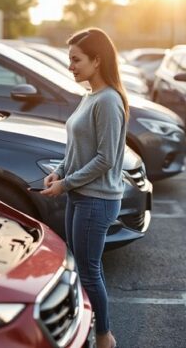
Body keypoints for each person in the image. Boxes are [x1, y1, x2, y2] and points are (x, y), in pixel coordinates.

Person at [40, 28, 129, 348]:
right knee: (81, 267)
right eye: (69, 59)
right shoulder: (90, 96)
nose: (71, 66)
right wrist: (59, 173)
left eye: (76, 60)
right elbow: (78, 149)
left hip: (97, 200)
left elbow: (105, 159)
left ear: (97, 60)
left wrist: (66, 184)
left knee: (89, 271)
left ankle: (104, 336)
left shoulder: (108, 101)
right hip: (81, 196)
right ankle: (85, 329)